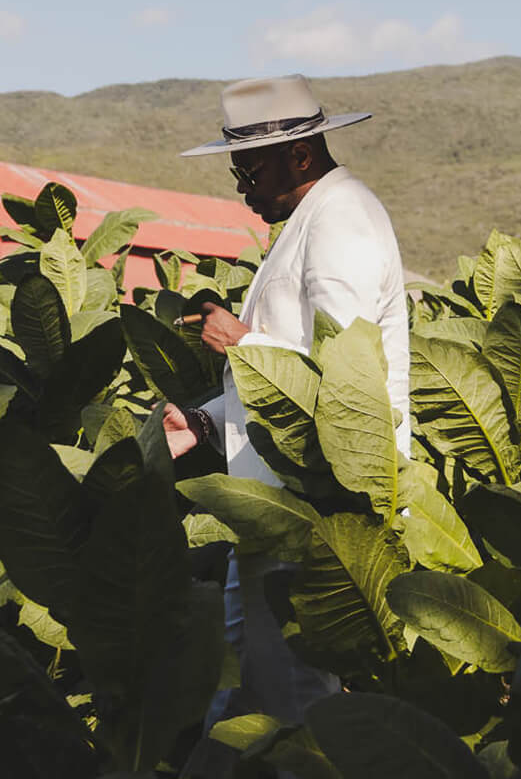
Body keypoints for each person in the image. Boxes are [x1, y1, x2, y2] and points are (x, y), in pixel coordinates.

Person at [162, 74, 410, 760]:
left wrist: (242, 343)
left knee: (295, 699)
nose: (241, 187)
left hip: (314, 503)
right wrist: (206, 422)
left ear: (299, 156)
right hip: (276, 496)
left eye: (249, 170)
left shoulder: (340, 222)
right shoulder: (313, 219)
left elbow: (347, 368)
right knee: (252, 673)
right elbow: (293, 359)